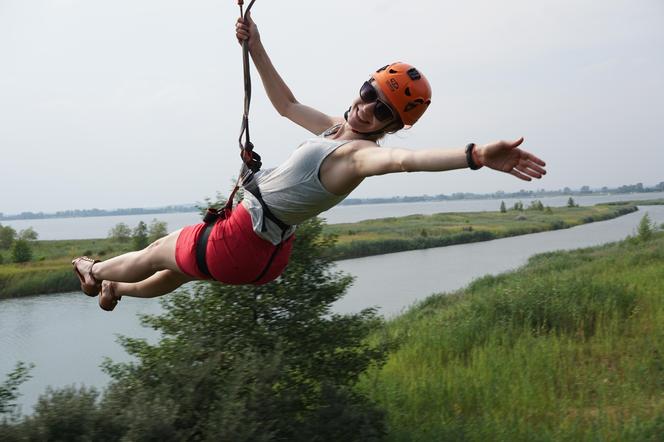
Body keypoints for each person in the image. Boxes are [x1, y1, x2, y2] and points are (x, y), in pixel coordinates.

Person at [72, 13, 546, 311]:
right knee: (177, 269)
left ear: (393, 125)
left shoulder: (359, 156)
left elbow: (408, 162)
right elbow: (286, 104)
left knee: (160, 249)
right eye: (368, 93)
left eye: (382, 110)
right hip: (265, 254)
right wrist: (254, 44)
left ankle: (94, 273)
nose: (366, 108)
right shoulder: (334, 131)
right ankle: (119, 291)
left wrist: (476, 155)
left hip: (241, 241)